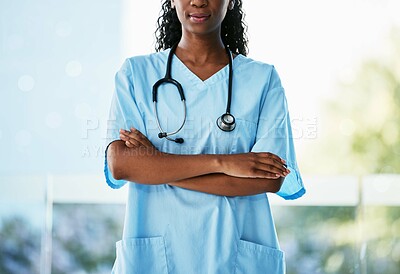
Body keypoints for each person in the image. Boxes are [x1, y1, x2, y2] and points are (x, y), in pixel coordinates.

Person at [104, 0, 305, 273]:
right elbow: (121, 165)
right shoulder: (136, 74)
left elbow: (270, 179)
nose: (198, 1)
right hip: (155, 257)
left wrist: (156, 165)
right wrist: (224, 163)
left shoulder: (262, 79)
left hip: (234, 252)